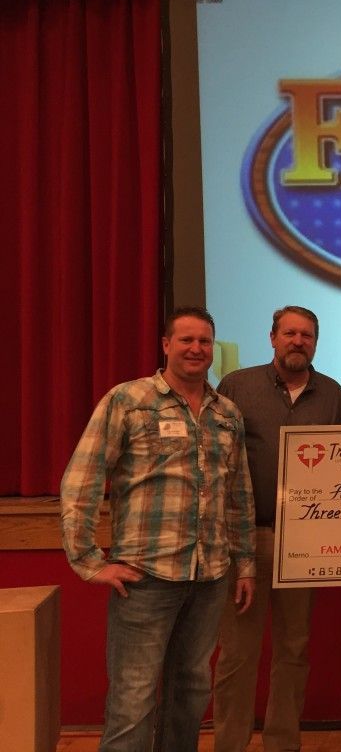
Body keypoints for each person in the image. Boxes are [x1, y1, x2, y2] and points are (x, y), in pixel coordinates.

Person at [60, 306, 256, 752]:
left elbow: (239, 494)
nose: (196, 348)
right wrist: (89, 562)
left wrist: (244, 564)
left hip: (209, 577)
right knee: (133, 698)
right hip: (145, 576)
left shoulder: (227, 413)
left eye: (204, 341)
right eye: (185, 339)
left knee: (190, 693)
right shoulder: (128, 400)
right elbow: (82, 479)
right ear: (165, 345)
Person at [213, 306, 341, 752]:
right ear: (272, 337)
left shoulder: (333, 395)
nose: (298, 341)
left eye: (307, 335)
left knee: (294, 649)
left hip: (305, 542)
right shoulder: (237, 386)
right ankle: (229, 744)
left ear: (316, 342)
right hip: (247, 539)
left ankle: (282, 743)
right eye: (289, 333)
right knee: (237, 653)